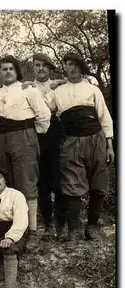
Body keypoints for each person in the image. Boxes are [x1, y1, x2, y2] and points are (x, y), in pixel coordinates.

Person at [48, 52, 114, 243]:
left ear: (81, 67)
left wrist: (109, 145)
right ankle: (74, 230)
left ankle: (92, 227)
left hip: (96, 140)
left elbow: (104, 117)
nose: (72, 68)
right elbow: (43, 108)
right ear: (65, 68)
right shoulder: (57, 92)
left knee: (99, 185)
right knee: (72, 186)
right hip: (71, 142)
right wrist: (29, 87)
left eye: (76, 64)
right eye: (68, 64)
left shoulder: (92, 89)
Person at [0, 55, 51, 249]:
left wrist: (32, 136)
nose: (7, 72)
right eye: (3, 69)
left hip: (24, 136)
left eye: (10, 68)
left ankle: (32, 231)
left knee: (27, 184)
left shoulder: (29, 90)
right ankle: (15, 230)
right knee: (7, 183)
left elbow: (43, 116)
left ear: (17, 71)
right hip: (3, 139)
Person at [23, 53, 64, 240]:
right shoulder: (26, 87)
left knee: (58, 181)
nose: (40, 69)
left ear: (50, 68)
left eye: (44, 66)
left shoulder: (58, 85)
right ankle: (47, 225)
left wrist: (51, 89)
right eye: (37, 65)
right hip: (35, 136)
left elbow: (50, 107)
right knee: (42, 184)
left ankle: (61, 225)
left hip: (54, 135)